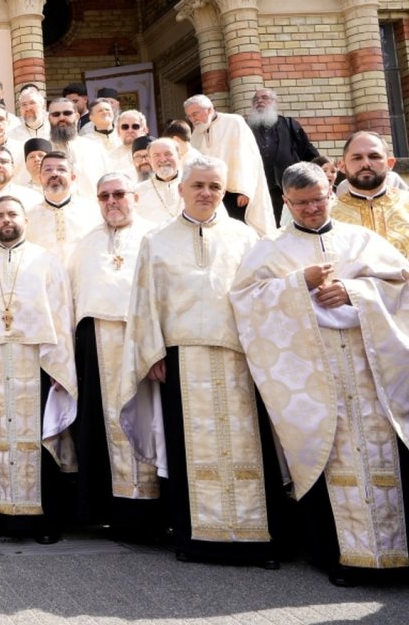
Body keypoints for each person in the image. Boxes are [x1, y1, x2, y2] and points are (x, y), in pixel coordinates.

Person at [231, 161, 409, 592]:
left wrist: (355, 291)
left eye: (318, 200)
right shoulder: (270, 248)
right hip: (315, 374)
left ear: (331, 189)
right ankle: (343, 556)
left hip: (372, 368)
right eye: (301, 204)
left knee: (392, 457)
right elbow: (245, 301)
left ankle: (408, 558)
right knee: (331, 452)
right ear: (286, 202)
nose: (311, 210)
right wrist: (297, 284)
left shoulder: (362, 240)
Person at [120, 155, 284, 568]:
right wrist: (150, 350)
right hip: (182, 357)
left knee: (249, 445)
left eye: (214, 186)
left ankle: (256, 540)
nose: (207, 193)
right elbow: (143, 299)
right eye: (198, 186)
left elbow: (261, 295)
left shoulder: (245, 237)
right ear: (181, 190)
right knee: (188, 446)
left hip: (237, 357)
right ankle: (197, 540)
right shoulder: (156, 239)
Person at [0, 196, 77, 543]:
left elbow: (61, 315)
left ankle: (45, 523)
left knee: (39, 436)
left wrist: (60, 365)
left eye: (12, 214)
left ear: (25, 218)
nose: (6, 220)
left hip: (37, 362)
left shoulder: (46, 262)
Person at [66, 174, 163, 538]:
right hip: (97, 347)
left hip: (144, 345)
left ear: (135, 197)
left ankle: (155, 511)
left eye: (119, 194)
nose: (112, 201)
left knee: (150, 422)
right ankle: (112, 510)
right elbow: (75, 294)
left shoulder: (155, 236)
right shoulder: (87, 243)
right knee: (102, 424)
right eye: (104, 195)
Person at [331, 131, 409, 389]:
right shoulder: (328, 217)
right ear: (342, 166)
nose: (366, 163)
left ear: (390, 164)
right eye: (357, 157)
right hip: (358, 324)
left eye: (374, 156)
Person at [184, 93, 274, 234]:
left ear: (209, 109)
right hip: (212, 192)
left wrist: (244, 190)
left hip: (235, 191)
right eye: (189, 116)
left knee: (241, 231)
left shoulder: (234, 122)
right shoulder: (196, 133)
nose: (193, 119)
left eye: (195, 114)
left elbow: (247, 156)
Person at [246, 88, 320, 226]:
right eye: (255, 100)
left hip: (288, 188)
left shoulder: (290, 125)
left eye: (264, 98)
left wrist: (320, 172)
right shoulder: (245, 128)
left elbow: (308, 152)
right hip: (259, 189)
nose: (259, 101)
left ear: (274, 102)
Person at [25, 152, 102, 266]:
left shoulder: (92, 212)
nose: (54, 174)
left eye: (61, 169)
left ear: (72, 177)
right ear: (40, 178)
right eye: (48, 170)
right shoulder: (28, 218)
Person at [135, 137, 183, 224]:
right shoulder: (138, 191)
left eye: (168, 154)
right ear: (149, 160)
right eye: (156, 155)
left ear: (179, 156)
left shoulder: (194, 185)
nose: (163, 159)